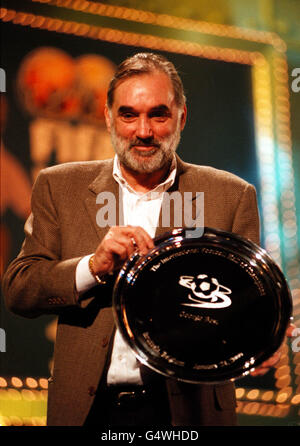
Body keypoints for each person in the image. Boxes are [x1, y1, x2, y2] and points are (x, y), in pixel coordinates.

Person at [2, 52, 278, 426]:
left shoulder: (230, 195)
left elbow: (247, 304)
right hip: (87, 411)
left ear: (182, 117)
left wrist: (262, 334)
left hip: (186, 414)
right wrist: (91, 268)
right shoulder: (58, 185)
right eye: (128, 114)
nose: (143, 131)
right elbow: (19, 289)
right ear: (107, 117)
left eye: (158, 114)